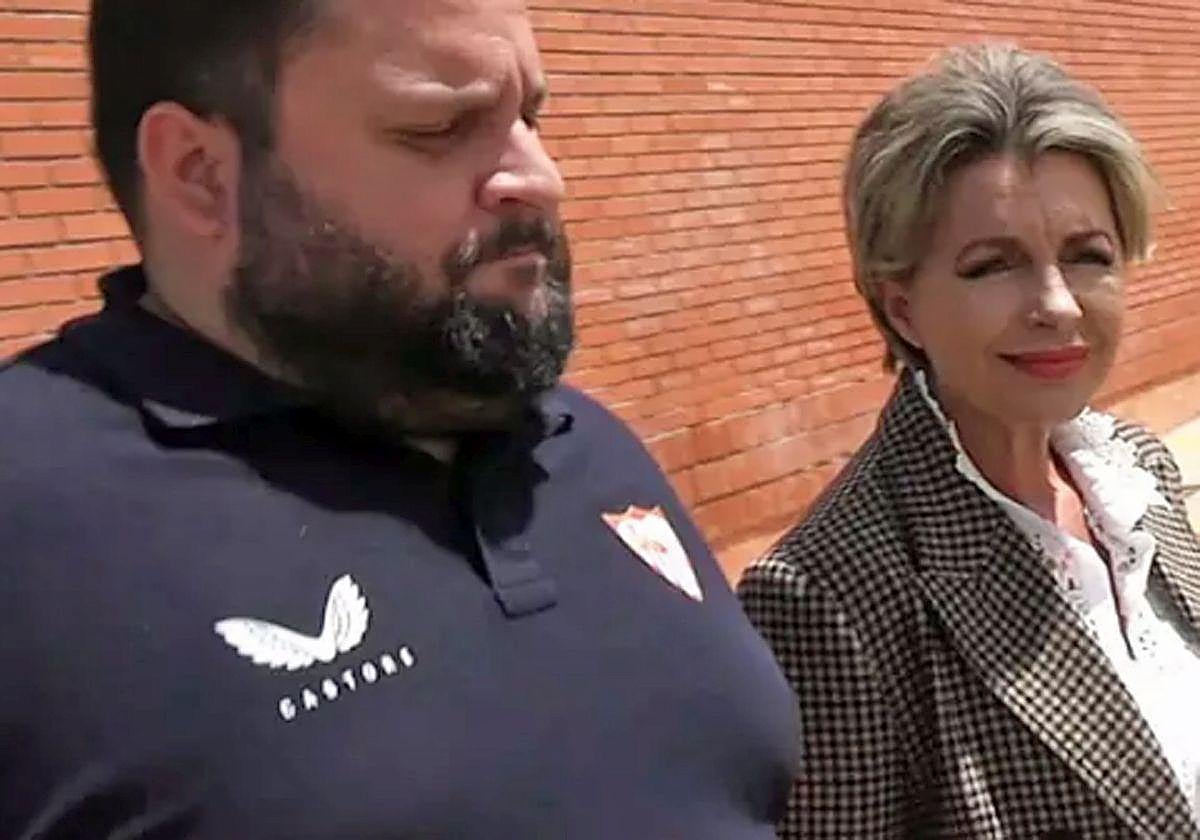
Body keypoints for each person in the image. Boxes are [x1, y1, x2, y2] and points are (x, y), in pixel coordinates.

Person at [0, 0, 800, 835]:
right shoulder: (28, 524)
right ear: (200, 173)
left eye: (528, 117)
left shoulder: (583, 444)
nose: (540, 179)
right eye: (439, 127)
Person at [739, 43, 1200, 839]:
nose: (1058, 304)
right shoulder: (827, 598)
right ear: (903, 308)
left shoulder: (1137, 472)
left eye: (1088, 256)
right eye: (993, 266)